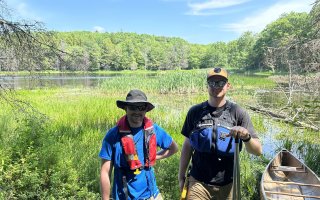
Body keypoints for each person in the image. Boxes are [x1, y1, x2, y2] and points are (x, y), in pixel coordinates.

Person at [178, 68, 262, 200]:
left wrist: (247, 137)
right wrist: (181, 175)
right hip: (198, 182)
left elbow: (257, 151)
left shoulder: (238, 113)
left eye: (221, 82)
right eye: (212, 82)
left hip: (228, 183)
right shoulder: (195, 112)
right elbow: (187, 145)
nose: (216, 86)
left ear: (228, 85)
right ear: (207, 85)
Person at [99, 89, 178, 200]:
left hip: (152, 195)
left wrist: (154, 156)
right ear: (125, 108)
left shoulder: (153, 130)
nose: (137, 111)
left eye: (141, 107)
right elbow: (105, 172)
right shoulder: (113, 136)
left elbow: (173, 148)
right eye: (132, 107)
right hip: (124, 197)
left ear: (146, 110)